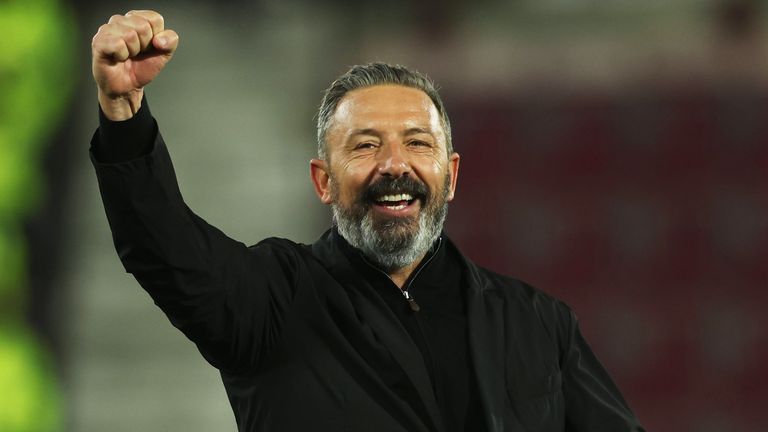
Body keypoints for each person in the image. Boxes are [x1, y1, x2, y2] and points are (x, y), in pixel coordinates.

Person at [90, 10, 645, 432]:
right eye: (366, 145)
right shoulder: (272, 299)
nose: (394, 164)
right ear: (323, 181)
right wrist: (123, 114)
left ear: (449, 175)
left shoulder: (539, 325)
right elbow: (162, 246)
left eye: (416, 143)